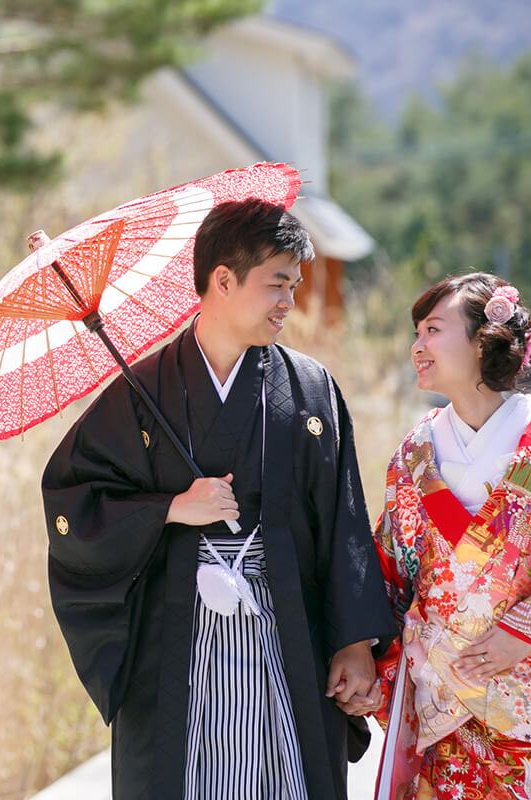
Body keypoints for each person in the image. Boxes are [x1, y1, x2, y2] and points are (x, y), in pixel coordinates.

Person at [41, 198, 397, 799]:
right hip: (176, 642)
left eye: (295, 284)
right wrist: (171, 508)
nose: (290, 300)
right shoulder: (140, 392)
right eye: (277, 284)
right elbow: (73, 504)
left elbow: (345, 522)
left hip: (287, 633)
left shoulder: (309, 388)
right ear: (223, 280)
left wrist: (355, 643)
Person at [341, 272, 531, 799]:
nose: (417, 346)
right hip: (447, 720)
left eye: (433, 329)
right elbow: (389, 573)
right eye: (416, 332)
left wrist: (523, 631)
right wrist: (366, 661)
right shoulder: (415, 456)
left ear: (483, 341)